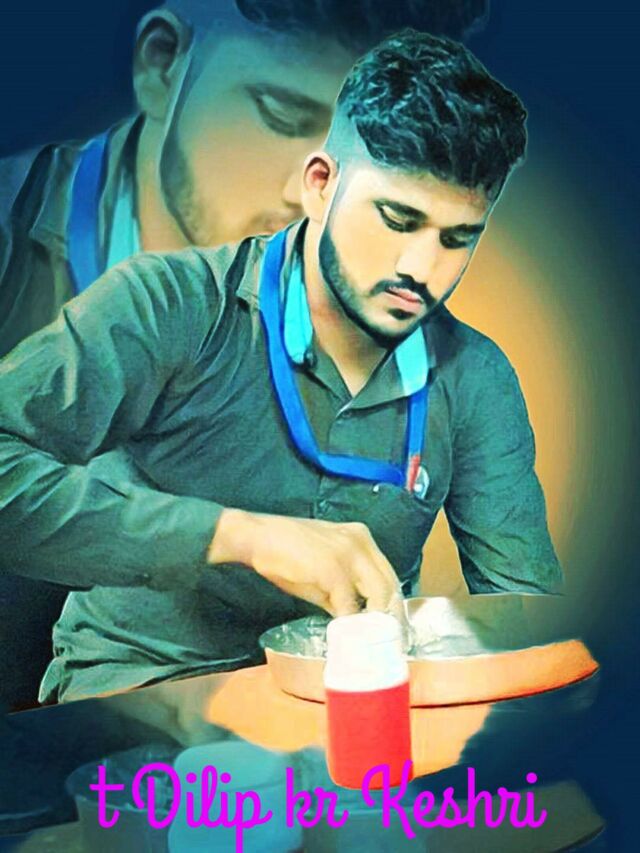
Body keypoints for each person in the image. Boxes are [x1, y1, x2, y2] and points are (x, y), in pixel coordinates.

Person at [0, 28, 562, 706]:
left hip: (350, 712)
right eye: (397, 219)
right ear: (320, 185)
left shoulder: (477, 378)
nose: (421, 268)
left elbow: (525, 620)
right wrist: (238, 536)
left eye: (457, 238)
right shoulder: (170, 304)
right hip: (145, 699)